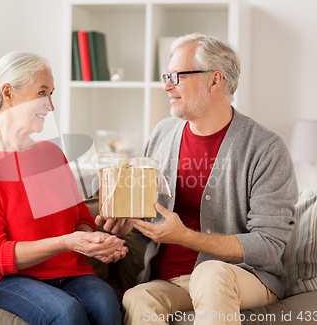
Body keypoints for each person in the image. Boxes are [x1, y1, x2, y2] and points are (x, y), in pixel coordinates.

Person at [96, 33, 299, 325]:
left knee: (211, 273)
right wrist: (128, 223)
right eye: (167, 76)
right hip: (170, 280)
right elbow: (150, 212)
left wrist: (186, 238)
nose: (166, 86)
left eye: (177, 76)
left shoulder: (265, 148)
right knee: (138, 297)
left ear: (215, 81)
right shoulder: (162, 134)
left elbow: (268, 245)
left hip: (242, 277)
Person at [0, 51, 127, 325]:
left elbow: (81, 219)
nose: (50, 105)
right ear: (8, 94)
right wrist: (67, 242)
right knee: (65, 311)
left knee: (105, 301)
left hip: (69, 273)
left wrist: (94, 243)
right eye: (42, 92)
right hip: (5, 280)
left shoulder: (50, 153)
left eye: (51, 93)